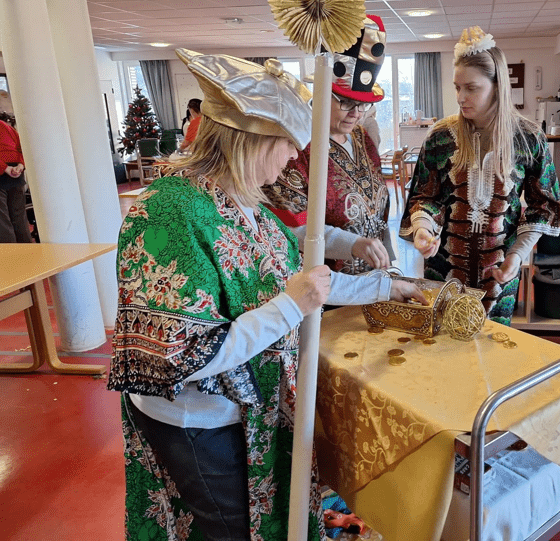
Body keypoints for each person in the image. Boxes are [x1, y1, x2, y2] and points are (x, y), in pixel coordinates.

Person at [108, 48, 425, 541]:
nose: (291, 161)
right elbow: (179, 356)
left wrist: (387, 286)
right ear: (253, 142)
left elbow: (306, 279)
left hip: (242, 410)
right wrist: (289, 306)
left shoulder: (241, 199)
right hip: (197, 421)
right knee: (228, 528)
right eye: (287, 146)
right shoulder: (169, 211)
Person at [399, 26, 560, 325]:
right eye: (457, 87)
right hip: (444, 272)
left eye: (471, 88)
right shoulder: (440, 137)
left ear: (497, 85)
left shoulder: (529, 138)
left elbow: (544, 205)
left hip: (499, 274)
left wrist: (517, 254)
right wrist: (423, 227)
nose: (461, 97)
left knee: (494, 346)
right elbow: (426, 195)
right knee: (442, 342)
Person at [264, 15, 394, 275]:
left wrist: (387, 259)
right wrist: (351, 244)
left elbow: (376, 211)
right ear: (321, 92)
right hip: (324, 281)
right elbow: (286, 226)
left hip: (372, 276)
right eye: (345, 102)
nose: (356, 113)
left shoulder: (362, 139)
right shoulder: (297, 147)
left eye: (363, 105)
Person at [0, 118, 32, 243]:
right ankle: (27, 253)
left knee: (3, 223)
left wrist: (5, 168)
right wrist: (21, 165)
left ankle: (10, 254)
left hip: (5, 170)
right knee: (19, 219)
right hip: (16, 173)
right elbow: (22, 148)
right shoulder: (7, 127)